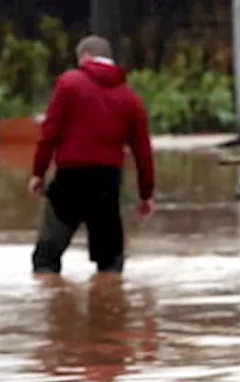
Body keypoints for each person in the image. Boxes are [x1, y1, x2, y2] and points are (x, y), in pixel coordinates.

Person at [29, 35, 156, 274]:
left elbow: (49, 132)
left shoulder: (69, 84)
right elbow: (143, 152)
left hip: (70, 177)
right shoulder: (130, 98)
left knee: (46, 258)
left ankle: (52, 303)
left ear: (85, 56)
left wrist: (38, 172)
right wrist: (146, 194)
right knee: (110, 262)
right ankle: (110, 304)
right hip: (107, 182)